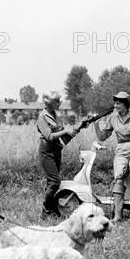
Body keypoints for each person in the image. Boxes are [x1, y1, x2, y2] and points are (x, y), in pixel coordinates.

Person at [94, 92, 130, 222]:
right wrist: (96, 125)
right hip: (120, 150)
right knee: (118, 177)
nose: (116, 105)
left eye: (118, 103)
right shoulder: (113, 118)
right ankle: (118, 215)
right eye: (115, 103)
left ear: (125, 104)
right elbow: (103, 137)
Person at [36, 90, 79, 219]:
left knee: (51, 183)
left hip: (56, 149)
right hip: (47, 150)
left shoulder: (55, 115)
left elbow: (62, 137)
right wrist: (66, 130)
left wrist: (75, 130)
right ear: (48, 102)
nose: (59, 102)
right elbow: (49, 136)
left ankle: (51, 210)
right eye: (56, 101)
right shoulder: (42, 117)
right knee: (55, 182)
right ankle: (45, 210)